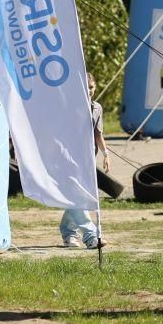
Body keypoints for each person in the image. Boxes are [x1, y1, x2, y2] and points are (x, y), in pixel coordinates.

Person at [59, 72, 110, 249]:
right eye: (85, 88)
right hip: (69, 158)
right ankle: (91, 236)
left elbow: (98, 133)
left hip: (87, 159)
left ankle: (68, 232)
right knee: (78, 196)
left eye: (91, 87)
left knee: (77, 197)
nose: (89, 91)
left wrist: (106, 153)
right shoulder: (69, 105)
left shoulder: (97, 108)